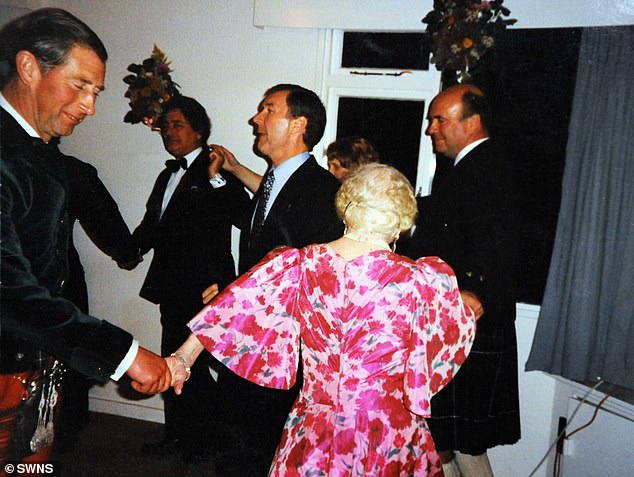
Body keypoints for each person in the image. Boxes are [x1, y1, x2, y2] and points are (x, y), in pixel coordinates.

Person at [167, 163, 477, 476]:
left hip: (314, 424)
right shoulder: (421, 281)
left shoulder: (299, 265)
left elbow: (233, 308)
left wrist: (184, 357)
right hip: (386, 431)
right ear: (401, 223)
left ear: (345, 209)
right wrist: (466, 306)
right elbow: (449, 337)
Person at [0, 8, 171, 466]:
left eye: (96, 92)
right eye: (80, 86)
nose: (91, 107)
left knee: (31, 466)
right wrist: (126, 353)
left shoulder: (45, 155)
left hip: (33, 363)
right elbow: (8, 291)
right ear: (29, 67)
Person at [203, 83, 343, 475]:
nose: (256, 119)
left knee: (261, 448)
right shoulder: (272, 180)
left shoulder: (324, 192)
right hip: (253, 338)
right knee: (237, 442)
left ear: (299, 124)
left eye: (268, 110)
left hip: (282, 351)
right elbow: (266, 253)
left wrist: (241, 295)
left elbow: (316, 279)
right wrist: (235, 290)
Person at [405, 84, 519, 477]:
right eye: (431, 119)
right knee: (446, 439)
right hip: (455, 316)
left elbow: (506, 237)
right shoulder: (464, 168)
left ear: (472, 122)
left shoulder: (489, 164)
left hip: (470, 317)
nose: (431, 128)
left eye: (440, 119)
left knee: (463, 441)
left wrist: (479, 292)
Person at [131, 95, 250, 463]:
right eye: (166, 126)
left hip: (206, 287)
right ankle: (179, 435)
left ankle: (208, 440)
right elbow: (153, 224)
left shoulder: (215, 170)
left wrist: (216, 179)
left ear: (200, 131)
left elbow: (244, 216)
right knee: (174, 361)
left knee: (208, 366)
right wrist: (127, 249)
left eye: (178, 125)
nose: (169, 132)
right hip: (171, 284)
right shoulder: (168, 173)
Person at [55, 155, 142, 453]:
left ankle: (63, 433)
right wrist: (127, 253)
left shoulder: (68, 169)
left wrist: (126, 251)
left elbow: (103, 216)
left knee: (67, 353)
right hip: (54, 277)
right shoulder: (68, 168)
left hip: (58, 277)